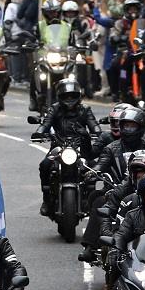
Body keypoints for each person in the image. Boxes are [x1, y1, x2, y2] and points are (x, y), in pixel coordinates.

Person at [32, 79, 100, 217]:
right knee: (45, 165)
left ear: (78, 96)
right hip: (59, 147)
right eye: (66, 96)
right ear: (60, 96)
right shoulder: (54, 108)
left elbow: (94, 125)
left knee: (93, 168)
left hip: (81, 147)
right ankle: (46, 199)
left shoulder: (85, 110)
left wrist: (98, 133)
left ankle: (90, 200)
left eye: (72, 96)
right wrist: (40, 132)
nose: (69, 99)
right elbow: (46, 123)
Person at [94, 107, 145, 183]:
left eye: (132, 127)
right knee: (96, 194)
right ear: (121, 126)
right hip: (116, 187)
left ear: (140, 127)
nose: (128, 130)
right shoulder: (110, 149)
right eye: (126, 126)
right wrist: (93, 171)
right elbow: (101, 164)